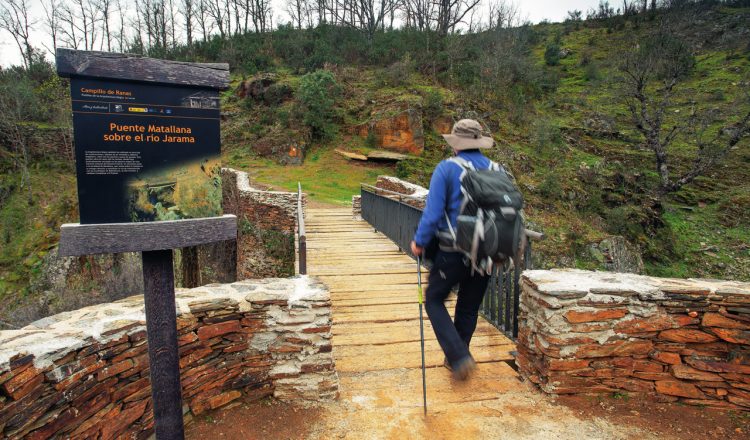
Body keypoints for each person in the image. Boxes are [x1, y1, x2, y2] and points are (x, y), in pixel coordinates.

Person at [410, 119, 494, 381]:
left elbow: (433, 213)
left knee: (434, 299)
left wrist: (420, 241)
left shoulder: (447, 169)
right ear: (479, 143)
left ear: (456, 144)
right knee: (468, 307)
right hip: (488, 251)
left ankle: (458, 357)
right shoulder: (496, 169)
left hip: (453, 250)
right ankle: (457, 357)